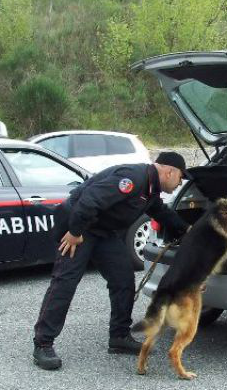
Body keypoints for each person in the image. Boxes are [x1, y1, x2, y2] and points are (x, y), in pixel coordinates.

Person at [32, 151, 192, 370]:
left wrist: (188, 230)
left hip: (102, 230)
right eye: (180, 178)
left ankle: (119, 336)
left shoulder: (150, 188)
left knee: (123, 278)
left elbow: (160, 212)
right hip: (78, 226)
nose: (179, 183)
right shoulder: (133, 179)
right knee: (65, 282)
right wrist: (75, 231)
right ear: (168, 171)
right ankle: (43, 343)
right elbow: (89, 200)